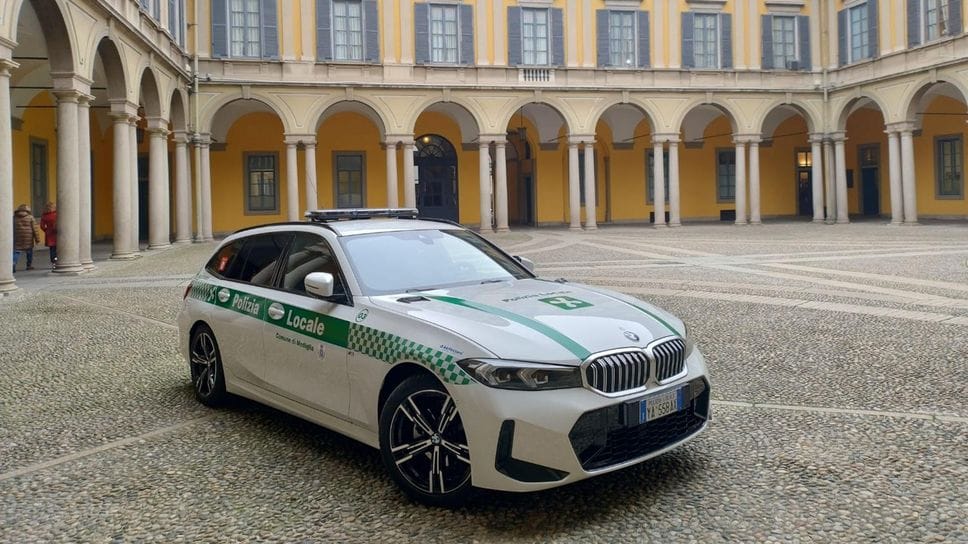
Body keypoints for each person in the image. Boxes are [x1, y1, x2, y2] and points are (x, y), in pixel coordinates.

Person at [13, 204, 39, 273]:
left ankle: (13, 263)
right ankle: (29, 265)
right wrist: (37, 239)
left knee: (16, 252)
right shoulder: (30, 217)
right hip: (28, 238)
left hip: (17, 237)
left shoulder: (14, 217)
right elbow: (35, 229)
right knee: (29, 252)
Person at [40, 201, 57, 266]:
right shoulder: (57, 214)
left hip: (49, 233)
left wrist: (46, 230)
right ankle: (57, 260)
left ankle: (53, 261)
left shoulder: (44, 215)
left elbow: (42, 226)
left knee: (52, 249)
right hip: (56, 233)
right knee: (58, 249)